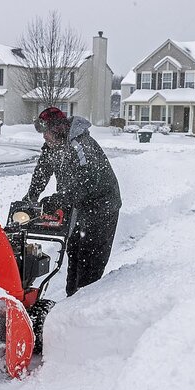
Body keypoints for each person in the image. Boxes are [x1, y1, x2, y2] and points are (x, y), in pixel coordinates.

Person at [23, 107, 122, 297]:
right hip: (78, 208)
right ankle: (71, 300)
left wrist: (60, 199)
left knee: (90, 262)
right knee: (75, 255)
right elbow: (42, 172)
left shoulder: (81, 144)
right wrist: (30, 198)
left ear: (58, 129)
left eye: (47, 132)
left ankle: (84, 307)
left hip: (102, 208)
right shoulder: (53, 146)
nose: (44, 137)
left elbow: (87, 182)